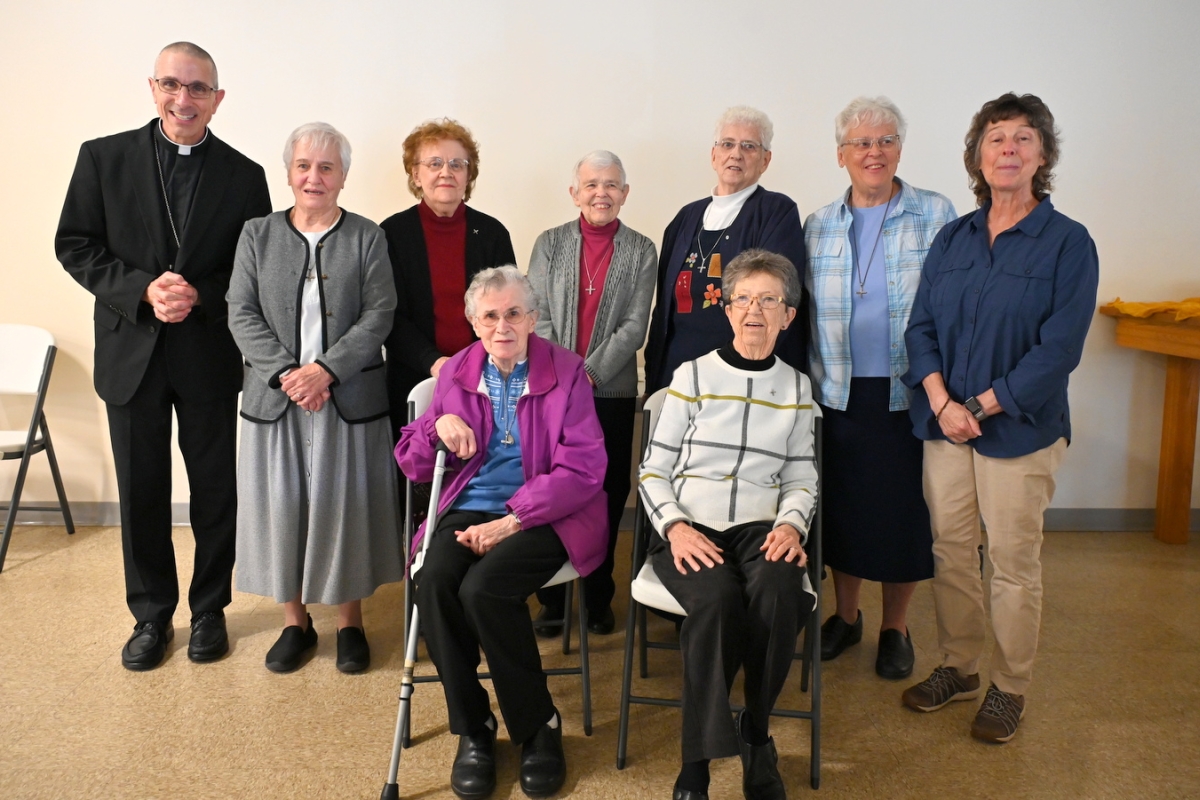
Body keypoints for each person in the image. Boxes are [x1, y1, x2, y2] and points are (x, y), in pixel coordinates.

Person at [55, 42, 271, 671]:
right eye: (172, 85)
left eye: (198, 88)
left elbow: (251, 268)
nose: (184, 99)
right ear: (152, 88)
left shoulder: (243, 174)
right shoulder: (103, 158)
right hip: (132, 353)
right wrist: (140, 290)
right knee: (142, 491)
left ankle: (209, 611)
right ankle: (151, 616)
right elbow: (75, 244)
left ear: (218, 99)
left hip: (206, 352)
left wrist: (199, 295)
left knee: (213, 491)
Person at [901, 93, 1099, 743]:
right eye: (995, 138)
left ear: (1042, 156)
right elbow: (921, 327)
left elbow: (1059, 349)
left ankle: (1010, 687)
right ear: (977, 155)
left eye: (1022, 138)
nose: (1007, 149)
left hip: (1018, 430)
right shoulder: (954, 236)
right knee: (952, 552)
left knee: (1012, 564)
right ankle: (959, 666)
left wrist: (981, 406)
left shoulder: (1068, 243)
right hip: (944, 427)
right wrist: (940, 403)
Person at [395, 266, 607, 799]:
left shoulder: (568, 371)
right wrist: (433, 426)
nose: (502, 325)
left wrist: (512, 521)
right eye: (489, 315)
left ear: (533, 318)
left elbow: (584, 469)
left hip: (548, 513)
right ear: (473, 321)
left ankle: (538, 727)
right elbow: (416, 464)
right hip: (467, 507)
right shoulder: (456, 373)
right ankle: (474, 728)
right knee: (436, 580)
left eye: (514, 313)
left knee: (484, 589)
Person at [639, 250, 817, 800]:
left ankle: (756, 733)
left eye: (769, 300)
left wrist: (791, 527)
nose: (755, 311)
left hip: (762, 528)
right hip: (692, 523)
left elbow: (802, 477)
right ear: (727, 308)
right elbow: (652, 471)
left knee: (781, 590)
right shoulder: (691, 376)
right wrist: (675, 528)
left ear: (788, 315)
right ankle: (696, 761)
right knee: (715, 601)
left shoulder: (796, 387)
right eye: (743, 299)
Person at [226, 122, 402, 674]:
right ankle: (294, 622)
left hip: (346, 396)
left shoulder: (367, 236)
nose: (314, 177)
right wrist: (288, 374)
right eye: (304, 166)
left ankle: (350, 622)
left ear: (344, 176)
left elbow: (380, 313)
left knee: (344, 505)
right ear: (288, 173)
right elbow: (240, 310)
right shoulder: (256, 233)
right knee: (282, 506)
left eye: (327, 167)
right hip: (275, 398)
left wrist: (325, 370)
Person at [804, 97, 957, 680]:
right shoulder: (817, 224)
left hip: (910, 392)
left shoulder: (936, 214)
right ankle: (846, 616)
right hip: (838, 393)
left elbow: (953, 305)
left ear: (900, 149)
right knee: (844, 511)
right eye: (862, 143)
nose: (875, 152)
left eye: (886, 141)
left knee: (902, 516)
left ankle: (895, 626)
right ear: (841, 154)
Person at [526, 150, 657, 637]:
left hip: (612, 395)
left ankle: (598, 594)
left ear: (625, 193)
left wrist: (586, 378)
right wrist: (561, 378)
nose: (601, 192)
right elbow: (535, 314)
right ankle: (552, 600)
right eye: (592, 184)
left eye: (612, 185)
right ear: (575, 192)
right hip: (548, 392)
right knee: (548, 486)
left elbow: (633, 327)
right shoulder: (549, 243)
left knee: (604, 495)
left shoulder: (642, 250)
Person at [644, 106, 807, 395]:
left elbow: (777, 300)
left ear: (766, 160)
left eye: (749, 146)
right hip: (675, 374)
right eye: (728, 144)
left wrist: (747, 368)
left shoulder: (776, 212)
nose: (736, 154)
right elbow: (663, 311)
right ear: (713, 155)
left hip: (741, 379)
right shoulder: (684, 218)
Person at [381, 118, 516, 442]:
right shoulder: (391, 234)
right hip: (412, 380)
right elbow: (387, 316)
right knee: (415, 481)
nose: (446, 172)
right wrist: (435, 363)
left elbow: (509, 311)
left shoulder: (492, 234)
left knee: (477, 475)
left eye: (457, 163)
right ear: (416, 173)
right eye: (435, 163)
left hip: (485, 380)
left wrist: (474, 365)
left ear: (468, 174)